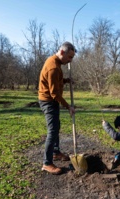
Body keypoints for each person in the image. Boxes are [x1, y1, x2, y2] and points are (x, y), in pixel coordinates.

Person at [38, 42, 76, 175]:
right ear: (62, 52)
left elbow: (55, 81)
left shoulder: (56, 63)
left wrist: (65, 80)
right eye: (69, 57)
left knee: (56, 126)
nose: (70, 60)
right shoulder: (53, 67)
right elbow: (54, 94)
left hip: (51, 100)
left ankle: (55, 152)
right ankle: (47, 163)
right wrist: (68, 107)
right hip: (48, 101)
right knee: (52, 131)